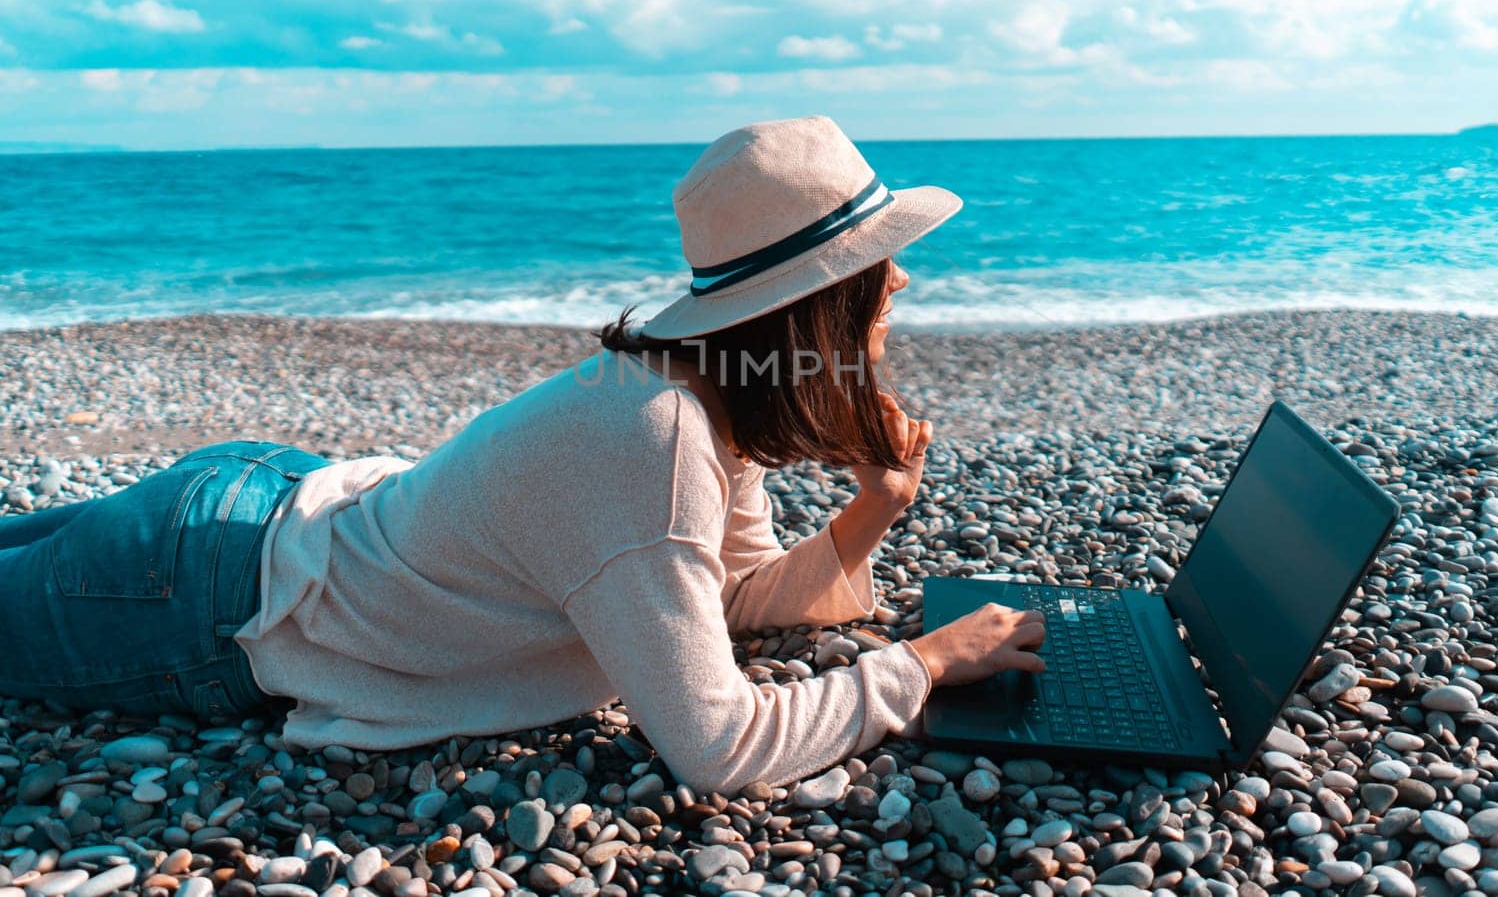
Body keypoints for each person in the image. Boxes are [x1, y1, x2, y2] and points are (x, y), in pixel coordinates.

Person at [0, 115, 1047, 795]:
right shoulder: (656, 438)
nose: (900, 281)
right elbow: (720, 747)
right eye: (875, 263)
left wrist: (877, 506)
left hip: (258, 506)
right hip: (209, 594)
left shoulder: (701, 392)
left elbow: (717, 596)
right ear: (811, 305)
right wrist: (923, 664)